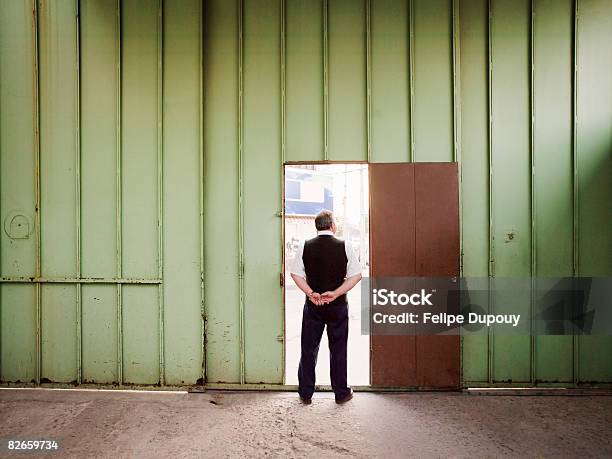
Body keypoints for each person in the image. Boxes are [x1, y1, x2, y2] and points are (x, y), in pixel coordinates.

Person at [290, 210, 362, 404]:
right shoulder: (345, 245)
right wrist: (336, 293)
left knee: (308, 348)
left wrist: (311, 293)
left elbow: (295, 274)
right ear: (333, 226)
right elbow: (356, 275)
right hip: (337, 307)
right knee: (338, 349)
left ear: (317, 226)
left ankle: (306, 393)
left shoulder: (305, 246)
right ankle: (341, 393)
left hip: (313, 306)